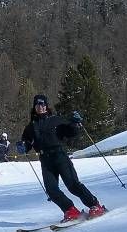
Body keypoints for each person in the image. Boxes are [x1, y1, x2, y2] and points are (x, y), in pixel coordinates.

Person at [16, 93, 106, 221]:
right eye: (37, 105)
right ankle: (70, 210)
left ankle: (95, 206)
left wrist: (75, 123)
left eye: (42, 104)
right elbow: (27, 143)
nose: (40, 107)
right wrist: (23, 146)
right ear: (34, 107)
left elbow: (71, 132)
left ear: (46, 106)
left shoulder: (56, 120)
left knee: (73, 185)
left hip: (60, 156)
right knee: (51, 190)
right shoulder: (30, 127)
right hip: (45, 160)